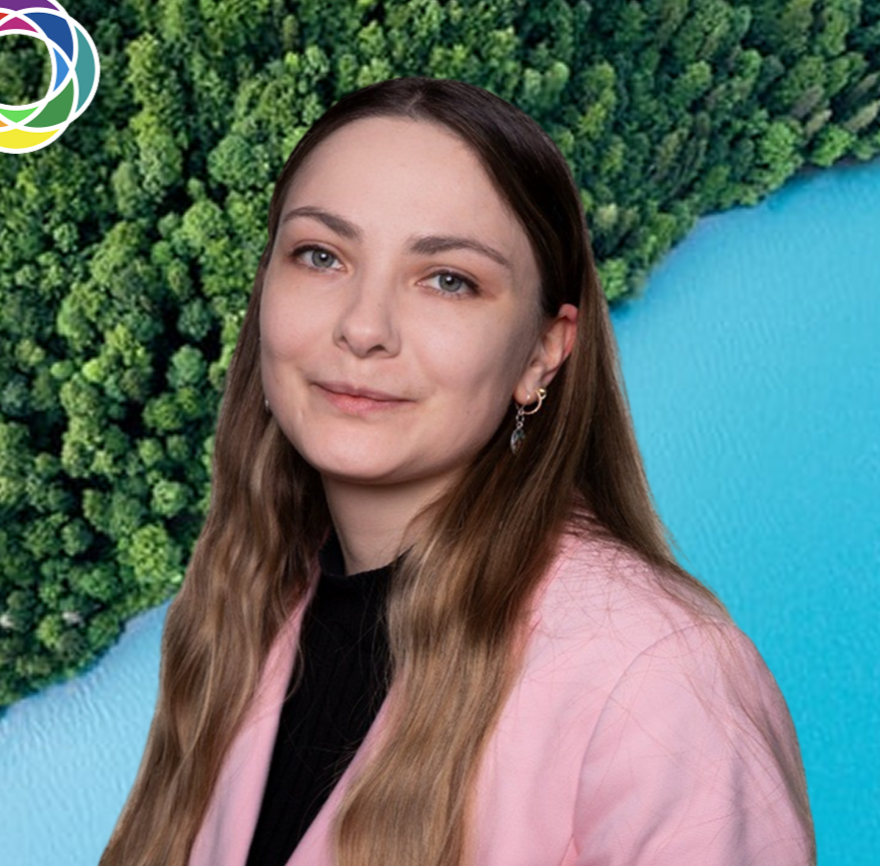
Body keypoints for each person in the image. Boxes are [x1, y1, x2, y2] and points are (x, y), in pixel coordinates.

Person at [99, 76, 815, 866]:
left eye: (448, 279)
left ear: (545, 350)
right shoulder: (246, 606)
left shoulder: (658, 676)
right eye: (320, 255)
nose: (364, 328)